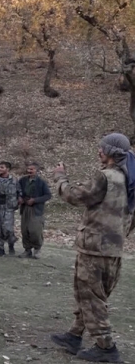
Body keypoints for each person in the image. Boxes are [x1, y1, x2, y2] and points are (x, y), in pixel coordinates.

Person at [50, 133, 135, 362]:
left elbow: (76, 196)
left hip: (94, 249)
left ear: (110, 153)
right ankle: (74, 335)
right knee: (91, 295)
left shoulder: (106, 177)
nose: (99, 151)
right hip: (113, 250)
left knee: (90, 297)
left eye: (101, 148)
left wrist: (60, 177)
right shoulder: (130, 180)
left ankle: (105, 347)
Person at [17, 162, 52, 258]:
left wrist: (35, 200)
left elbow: (48, 195)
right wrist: (19, 197)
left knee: (35, 230)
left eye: (31, 169)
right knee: (25, 230)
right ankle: (27, 250)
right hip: (25, 208)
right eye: (28, 169)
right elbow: (18, 191)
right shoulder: (23, 180)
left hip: (36, 210)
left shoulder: (41, 182)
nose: (29, 171)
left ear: (36, 170)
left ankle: (37, 250)